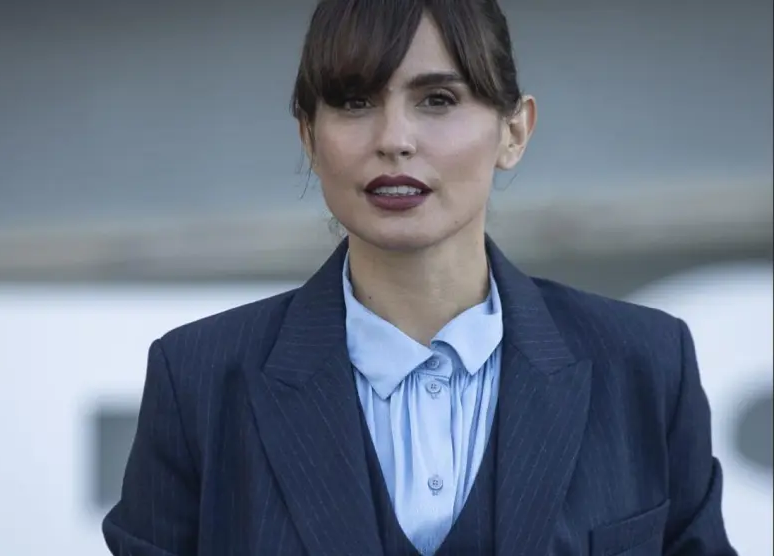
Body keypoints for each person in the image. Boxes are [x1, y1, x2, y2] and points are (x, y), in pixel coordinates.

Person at [103, 1, 736, 554]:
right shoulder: (199, 381)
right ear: (308, 135)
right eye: (355, 101)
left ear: (514, 131)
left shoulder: (646, 365)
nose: (394, 139)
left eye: (438, 100)